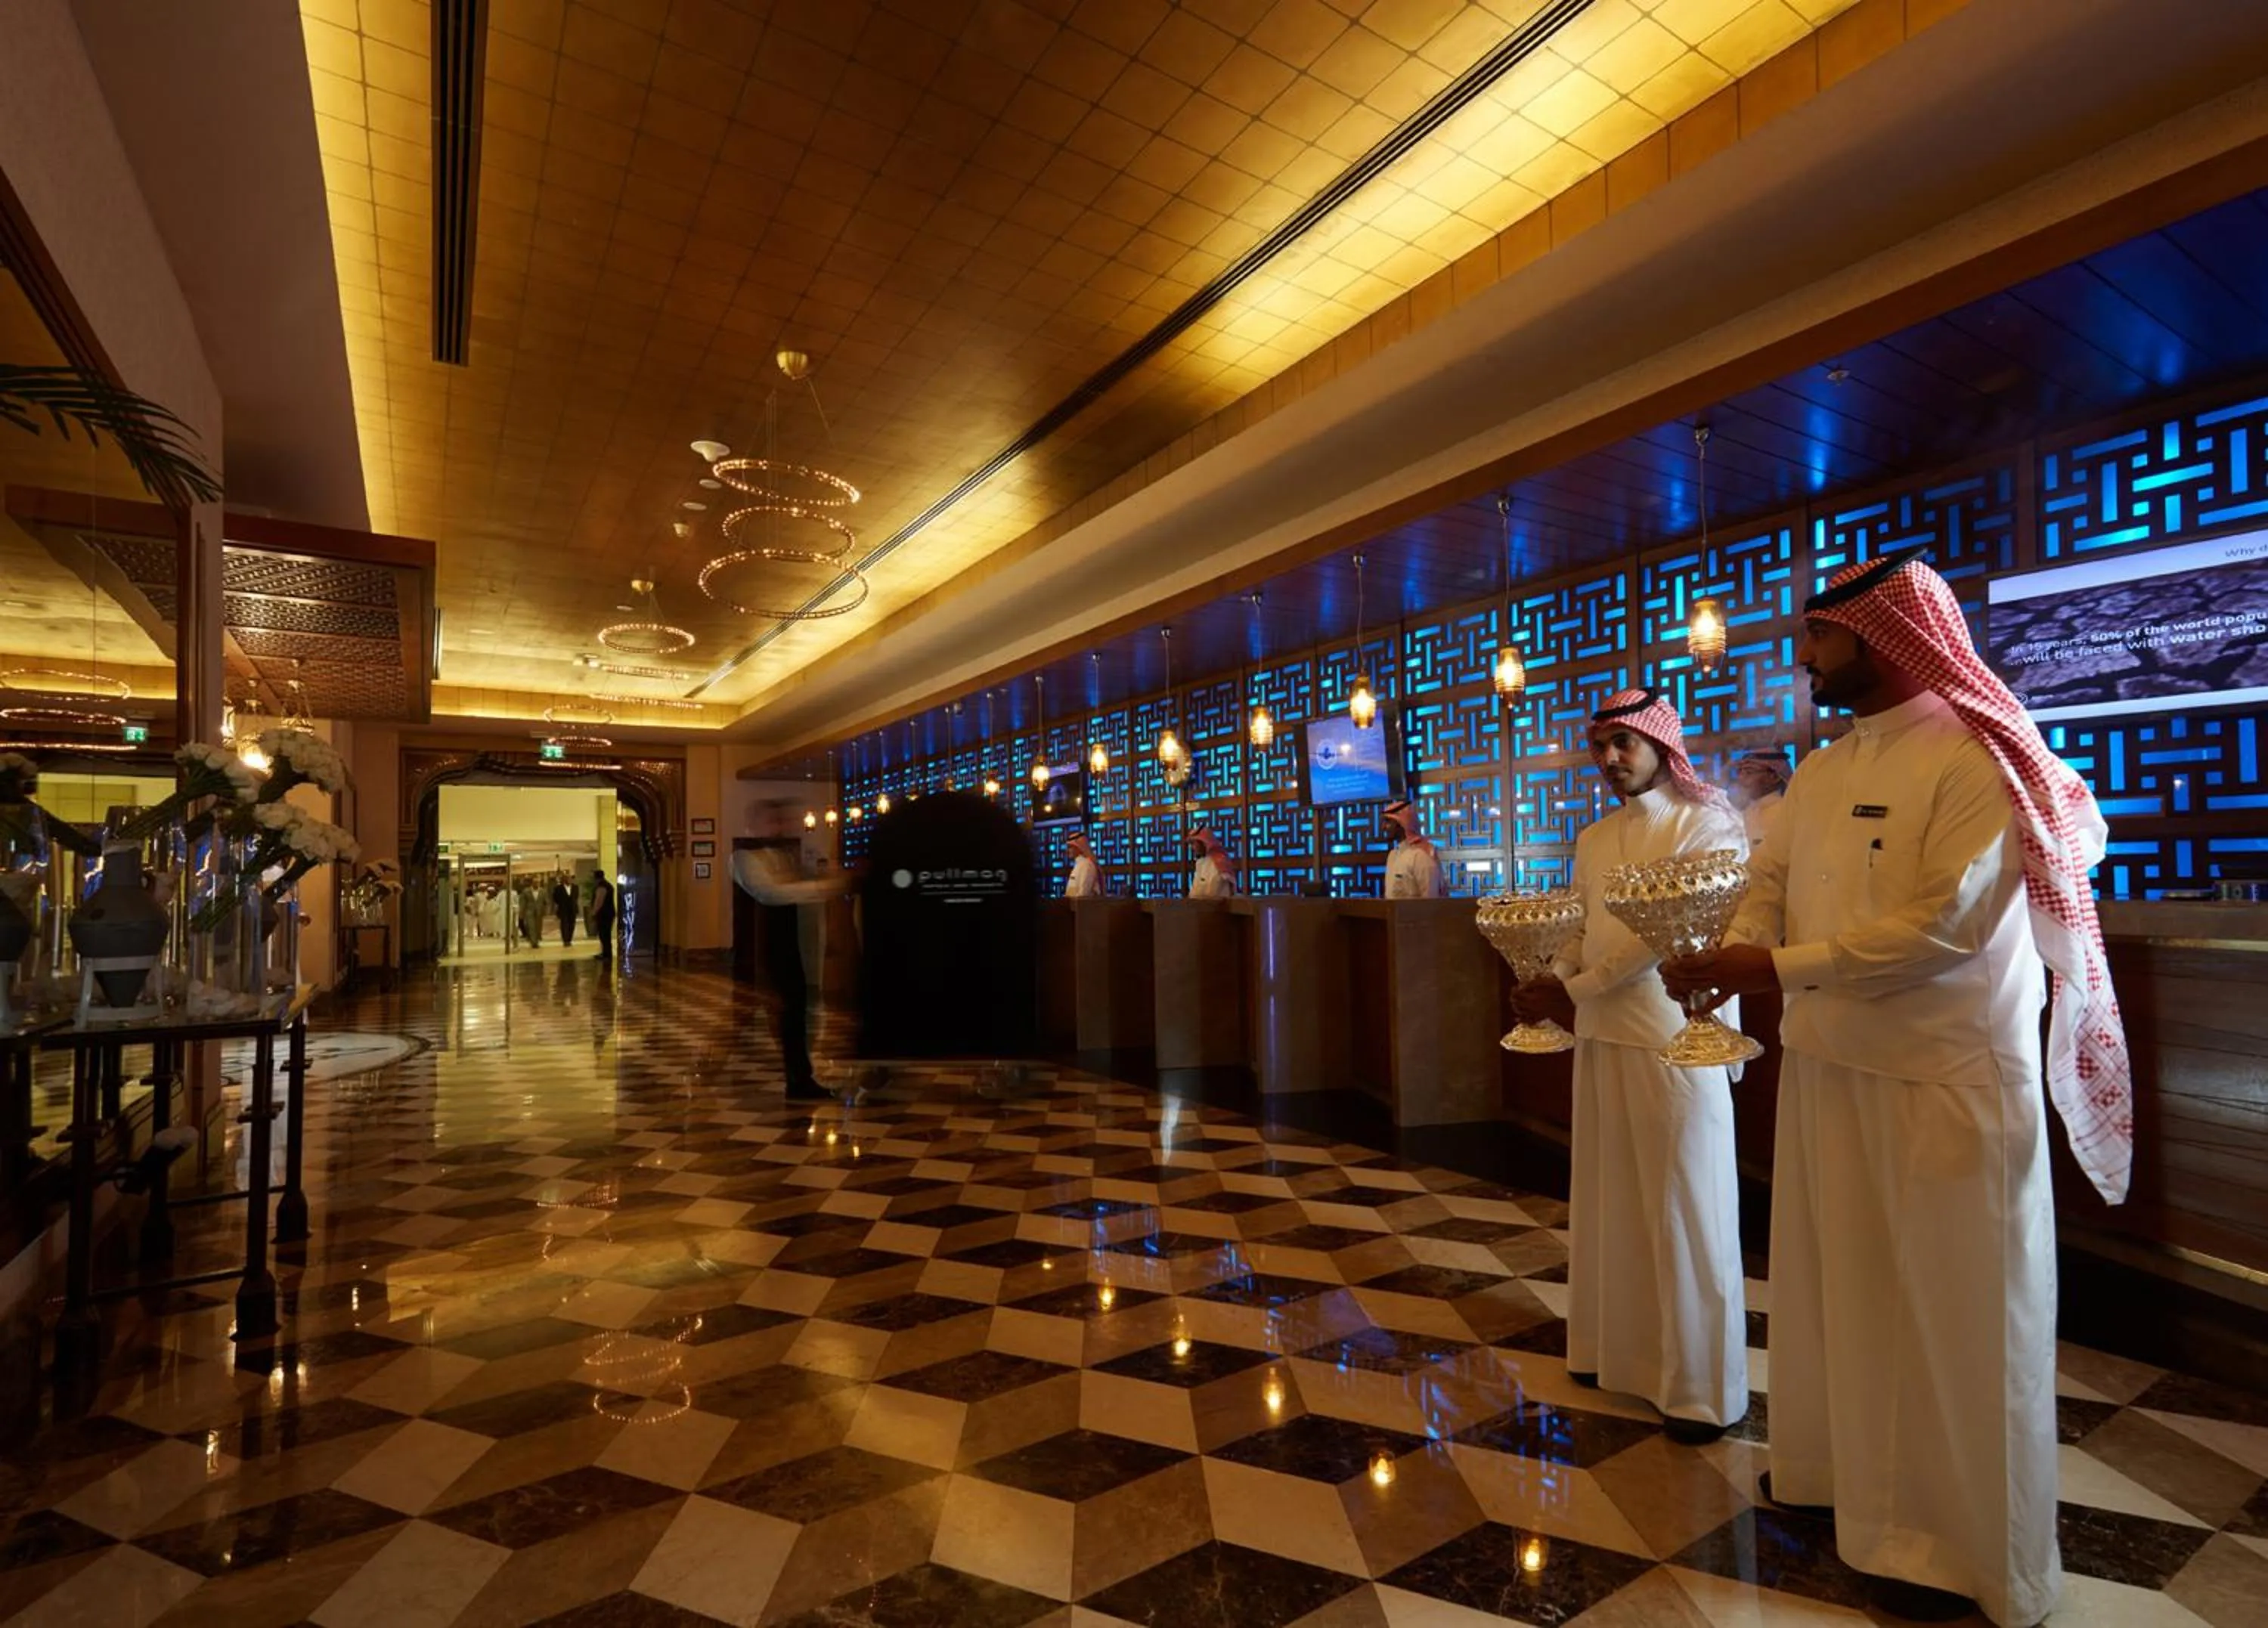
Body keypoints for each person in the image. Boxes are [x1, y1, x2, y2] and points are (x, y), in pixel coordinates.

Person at [1662, 546, 2133, 1627]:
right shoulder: (1824, 770)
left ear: (1878, 637)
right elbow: (1767, 888)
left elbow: (1946, 928)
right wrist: (1727, 950)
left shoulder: (1978, 757)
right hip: (1831, 1073)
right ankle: (1847, 1495)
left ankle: (1982, 1556)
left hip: (1946, 1080)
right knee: (1842, 1300)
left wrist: (1763, 969)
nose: (1804, 655)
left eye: (1818, 637)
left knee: (1963, 1315)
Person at [1512, 689, 1749, 1445]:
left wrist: (1570, 989)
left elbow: (1657, 939)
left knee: (1684, 1205)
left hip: (1676, 1037)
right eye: (1601, 745)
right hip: (1603, 1034)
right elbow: (1583, 926)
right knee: (1610, 1200)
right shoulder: (1594, 836)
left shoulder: (1709, 824)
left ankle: (1698, 1391)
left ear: (1660, 743)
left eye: (1625, 742)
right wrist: (1551, 976)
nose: (1612, 758)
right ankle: (1608, 1355)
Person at [731, 831, 847, 1100]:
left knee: (798, 1016)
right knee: (787, 1016)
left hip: (795, 952)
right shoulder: (744, 859)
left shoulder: (788, 862)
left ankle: (800, 1077)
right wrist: (825, 887)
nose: (782, 825)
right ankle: (798, 1080)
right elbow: (770, 894)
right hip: (768, 955)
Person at [1382, 797, 1445, 898]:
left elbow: (1431, 902)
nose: (1383, 827)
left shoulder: (1422, 855)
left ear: (1401, 823)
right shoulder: (1393, 855)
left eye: (1388, 821)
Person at [1731, 748, 1792, 847]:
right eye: (1740, 772)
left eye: (1749, 772)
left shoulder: (1786, 812)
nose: (1741, 778)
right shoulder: (1746, 812)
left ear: (1774, 777)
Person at [1187, 827, 1237, 897]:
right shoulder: (1200, 862)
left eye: (1193, 843)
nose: (1191, 848)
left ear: (1203, 842)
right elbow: (1194, 892)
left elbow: (1211, 892)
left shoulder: (1220, 861)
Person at [1064, 832, 1102, 898]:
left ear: (1078, 847)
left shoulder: (1087, 865)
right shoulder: (1078, 865)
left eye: (1070, 847)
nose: (1067, 851)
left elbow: (1083, 895)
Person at [591, 873, 616, 963]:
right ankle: (606, 953)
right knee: (605, 934)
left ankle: (607, 955)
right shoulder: (607, 885)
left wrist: (594, 913)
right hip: (609, 913)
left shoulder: (602, 887)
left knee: (604, 935)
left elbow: (599, 901)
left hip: (604, 914)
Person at [550, 874, 577, 947]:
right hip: (563, 909)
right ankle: (565, 941)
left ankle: (569, 939)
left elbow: (576, 897)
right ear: (564, 880)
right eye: (567, 879)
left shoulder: (575, 887)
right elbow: (555, 898)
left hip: (573, 909)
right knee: (564, 924)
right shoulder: (558, 888)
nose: (569, 880)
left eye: (570, 879)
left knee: (572, 925)